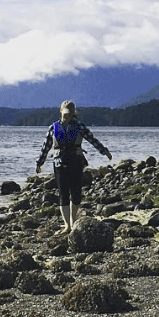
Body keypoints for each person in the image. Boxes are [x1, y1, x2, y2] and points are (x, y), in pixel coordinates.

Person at [35, 100, 112, 235]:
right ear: (61, 112)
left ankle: (73, 219)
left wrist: (104, 151)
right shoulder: (53, 128)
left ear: (74, 113)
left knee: (76, 193)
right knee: (63, 193)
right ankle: (67, 225)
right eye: (65, 114)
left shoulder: (80, 127)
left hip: (76, 161)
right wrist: (39, 163)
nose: (67, 116)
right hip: (59, 163)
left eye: (70, 114)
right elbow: (46, 147)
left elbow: (92, 140)